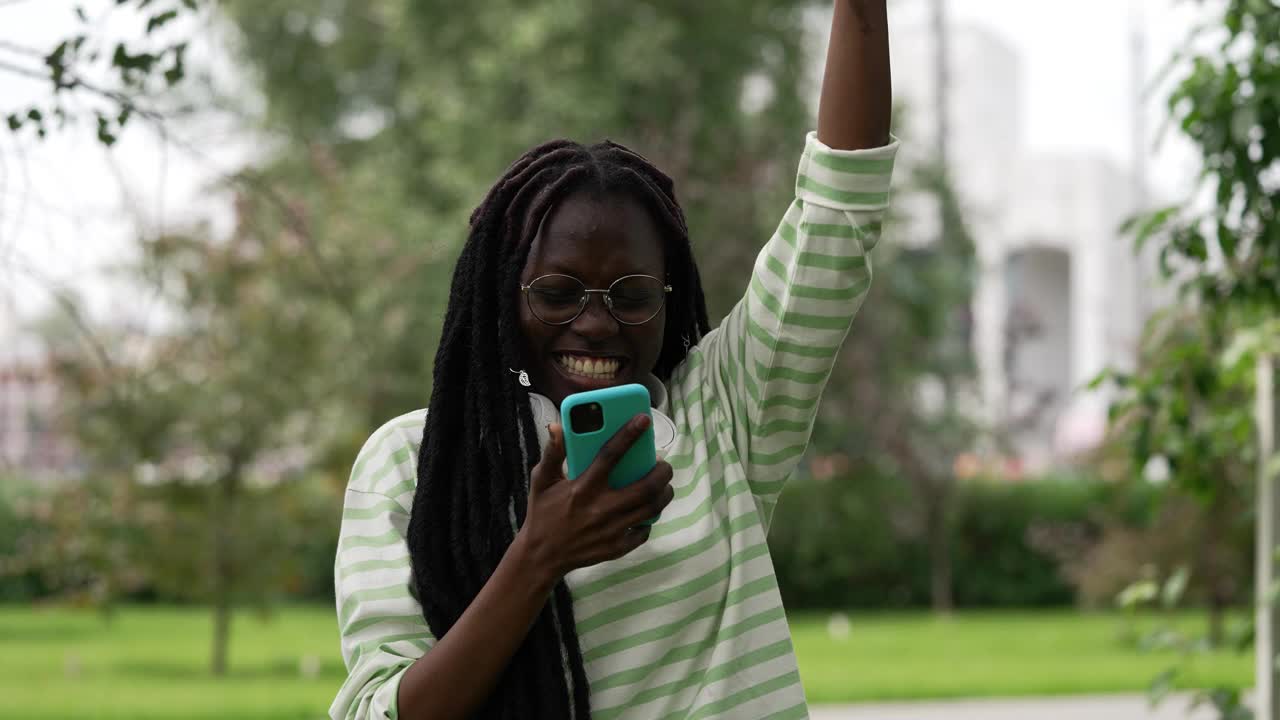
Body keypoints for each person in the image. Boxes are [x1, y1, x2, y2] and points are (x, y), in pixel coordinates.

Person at [332, 1, 896, 717]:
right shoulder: (412, 463)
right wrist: (538, 555)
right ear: (502, 296)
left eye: (631, 295)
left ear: (670, 298)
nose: (596, 324)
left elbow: (838, 209)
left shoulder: (725, 413)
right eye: (558, 293)